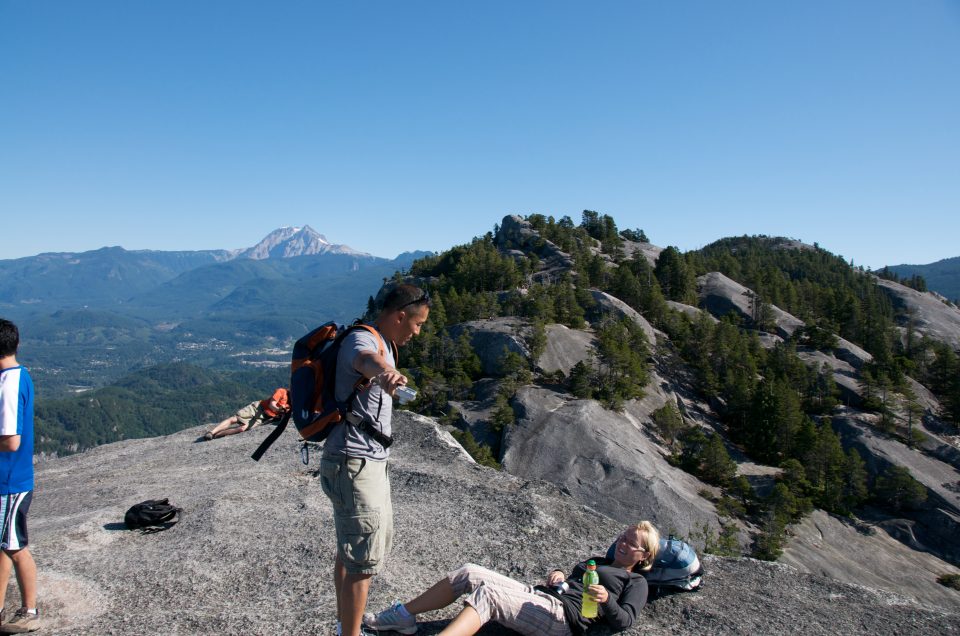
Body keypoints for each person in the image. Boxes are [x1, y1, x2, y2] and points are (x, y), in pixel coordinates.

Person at [320, 284, 431, 636]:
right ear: (400, 316)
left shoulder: (386, 342)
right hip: (354, 462)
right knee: (362, 562)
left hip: (366, 461)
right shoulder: (363, 341)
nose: (418, 331)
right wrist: (384, 371)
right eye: (418, 324)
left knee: (351, 550)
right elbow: (366, 361)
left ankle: (345, 625)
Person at [365, 522, 660, 636]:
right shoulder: (603, 561)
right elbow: (571, 582)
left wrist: (607, 600)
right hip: (546, 597)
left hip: (564, 620)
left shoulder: (637, 583)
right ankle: (404, 616)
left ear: (643, 555)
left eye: (631, 542)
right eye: (623, 536)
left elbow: (625, 621)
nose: (622, 542)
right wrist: (559, 575)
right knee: (469, 571)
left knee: (489, 595)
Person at [0, 319, 40, 633]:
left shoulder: (8, 383)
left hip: (10, 481)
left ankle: (29, 611)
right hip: (11, 479)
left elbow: (11, 440)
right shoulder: (20, 375)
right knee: (3, 545)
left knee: (15, 546)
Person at [203, 387, 289, 440]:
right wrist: (279, 409)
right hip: (258, 408)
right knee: (235, 419)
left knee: (241, 429)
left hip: (264, 418)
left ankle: (217, 435)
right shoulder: (282, 392)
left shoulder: (292, 404)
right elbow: (272, 404)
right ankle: (211, 432)